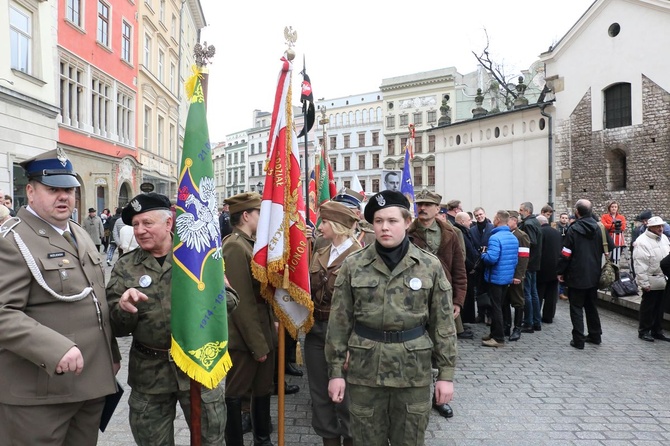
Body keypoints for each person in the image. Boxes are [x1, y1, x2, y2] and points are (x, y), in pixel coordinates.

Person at [0, 148, 120, 445]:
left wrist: (112, 356)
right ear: (30, 191)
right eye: (53, 189)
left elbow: (95, 301)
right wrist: (55, 348)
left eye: (69, 189)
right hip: (41, 392)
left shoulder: (78, 233)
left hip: (90, 384)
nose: (64, 196)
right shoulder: (13, 240)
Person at [325, 190, 457, 446]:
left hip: (413, 373)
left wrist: (445, 375)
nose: (384, 228)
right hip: (365, 373)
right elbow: (339, 323)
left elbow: (443, 325)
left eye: (392, 221)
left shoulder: (429, 266)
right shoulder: (354, 265)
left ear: (408, 222)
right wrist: (335, 372)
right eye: (378, 221)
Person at [107, 192, 238, 445]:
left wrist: (209, 297)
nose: (140, 230)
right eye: (135, 225)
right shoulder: (125, 266)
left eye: (147, 223)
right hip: (149, 374)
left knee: (211, 440)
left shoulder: (197, 255)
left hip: (197, 366)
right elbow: (116, 326)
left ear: (169, 223)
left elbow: (231, 301)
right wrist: (123, 308)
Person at [222, 192, 277, 446]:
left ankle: (262, 439)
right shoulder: (234, 246)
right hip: (245, 339)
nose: (262, 218)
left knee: (263, 390)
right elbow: (241, 301)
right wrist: (258, 346)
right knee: (236, 394)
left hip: (262, 331)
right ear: (246, 215)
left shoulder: (250, 243)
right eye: (258, 213)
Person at [408, 189, 467, 419]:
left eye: (427, 205)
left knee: (442, 346)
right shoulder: (407, 232)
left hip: (443, 298)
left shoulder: (450, 233)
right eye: (420, 204)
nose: (422, 208)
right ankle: (416, 393)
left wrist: (458, 301)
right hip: (414, 299)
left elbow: (459, 270)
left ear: (437, 209)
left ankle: (438, 397)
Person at [305, 201, 360, 446]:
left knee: (346, 398)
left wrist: (353, 343)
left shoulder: (358, 256)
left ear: (337, 225)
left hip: (344, 334)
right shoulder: (321, 251)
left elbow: (361, 305)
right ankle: (329, 440)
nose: (320, 226)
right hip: (316, 331)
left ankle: (350, 439)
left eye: (325, 221)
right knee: (320, 394)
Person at [557, 199, 610, 349]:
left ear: (577, 212)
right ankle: (595, 335)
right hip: (594, 274)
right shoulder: (600, 228)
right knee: (592, 306)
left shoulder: (573, 229)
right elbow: (609, 248)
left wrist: (560, 271)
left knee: (576, 307)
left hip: (576, 275)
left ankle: (578, 339)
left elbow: (565, 254)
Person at [480, 211, 519, 348]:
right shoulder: (513, 237)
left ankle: (498, 338)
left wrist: (483, 254)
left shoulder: (495, 238)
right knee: (500, 306)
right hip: (506, 277)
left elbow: (491, 259)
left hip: (496, 277)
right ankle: (494, 333)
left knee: (496, 308)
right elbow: (515, 259)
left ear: (497, 219)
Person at [632, 216, 670, 342]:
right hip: (651, 278)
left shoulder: (664, 238)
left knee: (659, 308)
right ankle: (644, 330)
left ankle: (657, 330)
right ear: (650, 227)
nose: (661, 228)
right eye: (658, 226)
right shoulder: (642, 241)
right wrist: (643, 283)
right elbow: (640, 264)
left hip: (662, 278)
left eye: (662, 226)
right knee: (648, 307)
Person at [518, 201, 543, 333]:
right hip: (534, 262)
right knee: (533, 292)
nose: (519, 212)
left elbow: (530, 243)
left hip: (529, 263)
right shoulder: (535, 222)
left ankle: (529, 322)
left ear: (527, 211)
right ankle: (536, 321)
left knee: (527, 293)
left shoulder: (528, 224)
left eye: (521, 210)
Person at [505, 211, 529, 342]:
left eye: (508, 220)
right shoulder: (507, 234)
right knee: (505, 301)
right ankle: (506, 326)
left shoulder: (521, 236)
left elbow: (524, 257)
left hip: (516, 274)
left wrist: (519, 275)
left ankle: (517, 328)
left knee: (518, 301)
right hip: (506, 274)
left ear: (514, 221)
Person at [600, 200, 627, 265]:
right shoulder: (604, 216)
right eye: (612, 207)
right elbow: (604, 226)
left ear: (617, 208)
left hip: (619, 240)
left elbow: (622, 227)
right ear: (609, 208)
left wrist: (610, 226)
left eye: (615, 207)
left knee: (617, 258)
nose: (614, 208)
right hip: (608, 239)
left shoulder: (621, 217)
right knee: (609, 258)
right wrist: (615, 225)